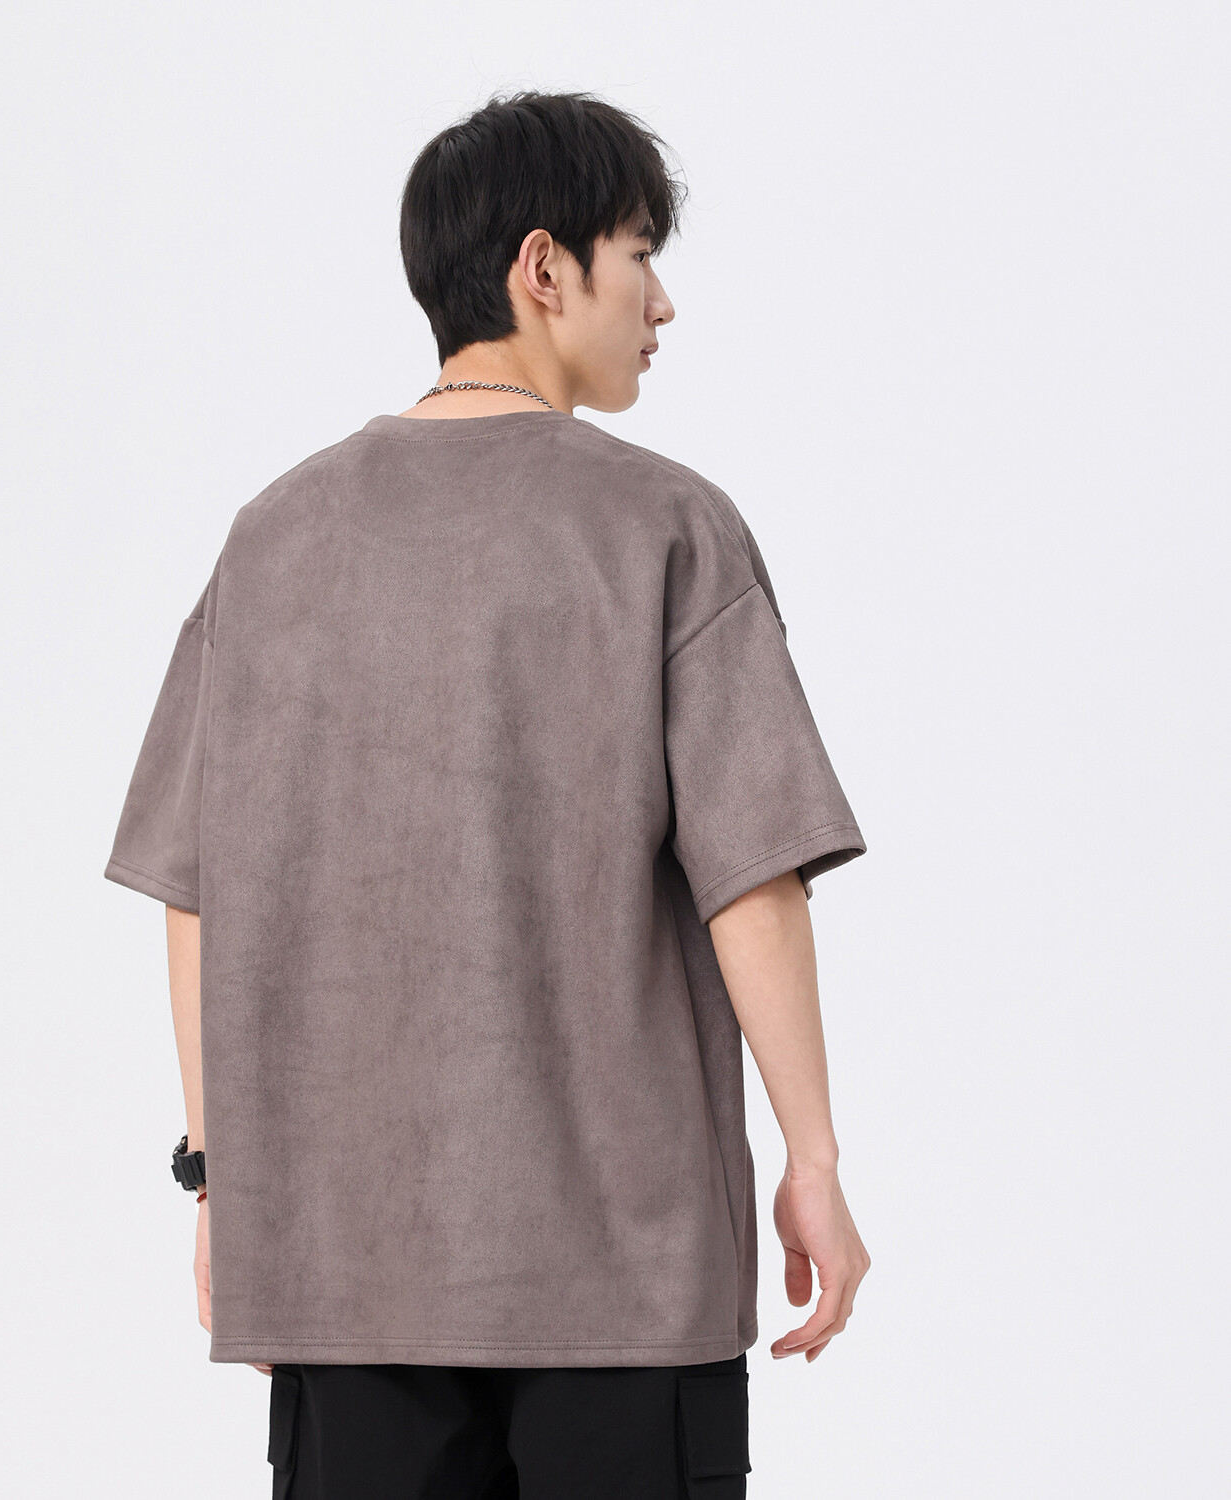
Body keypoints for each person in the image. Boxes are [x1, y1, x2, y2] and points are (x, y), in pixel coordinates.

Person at [104, 88, 871, 1499]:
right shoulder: (665, 524)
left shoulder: (273, 538)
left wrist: (222, 1179)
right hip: (626, 1282)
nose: (661, 302)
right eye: (639, 253)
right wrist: (812, 1160)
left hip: (346, 1275)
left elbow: (194, 888)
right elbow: (753, 879)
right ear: (543, 267)